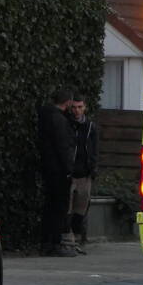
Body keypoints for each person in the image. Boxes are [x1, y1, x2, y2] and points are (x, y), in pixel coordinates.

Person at [37, 88, 77, 257]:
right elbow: (63, 146)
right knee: (59, 206)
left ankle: (47, 242)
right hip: (59, 170)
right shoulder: (58, 120)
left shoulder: (45, 116)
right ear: (67, 102)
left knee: (50, 205)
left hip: (49, 167)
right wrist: (69, 169)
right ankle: (54, 243)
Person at [63, 95, 98, 255]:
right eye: (74, 107)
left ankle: (76, 239)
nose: (77, 111)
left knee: (80, 209)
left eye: (80, 107)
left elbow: (94, 148)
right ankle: (68, 240)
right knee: (67, 209)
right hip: (70, 173)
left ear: (85, 108)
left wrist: (93, 167)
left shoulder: (90, 127)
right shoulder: (67, 124)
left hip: (84, 173)